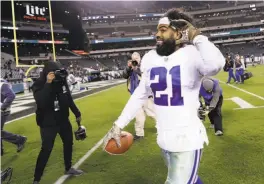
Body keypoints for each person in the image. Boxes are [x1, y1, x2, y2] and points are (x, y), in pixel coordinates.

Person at [103, 8, 225, 184]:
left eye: (162, 29)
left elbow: (216, 64)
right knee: (189, 179)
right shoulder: (151, 58)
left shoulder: (192, 54)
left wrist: (196, 36)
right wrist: (118, 124)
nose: (156, 34)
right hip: (164, 139)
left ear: (177, 32)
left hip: (187, 140)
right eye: (157, 29)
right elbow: (140, 94)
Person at [32, 62, 84, 184]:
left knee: (68, 143)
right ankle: (36, 179)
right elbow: (41, 101)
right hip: (48, 123)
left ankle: (68, 168)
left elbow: (68, 98)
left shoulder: (61, 81)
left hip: (63, 120)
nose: (58, 74)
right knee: (46, 149)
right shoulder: (39, 84)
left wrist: (77, 113)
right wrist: (48, 83)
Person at [123, 52, 156, 140]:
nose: (135, 60)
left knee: (153, 114)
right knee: (138, 117)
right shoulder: (131, 67)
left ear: (140, 58)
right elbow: (124, 76)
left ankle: (163, 127)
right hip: (135, 96)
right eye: (134, 58)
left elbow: (145, 76)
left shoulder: (144, 66)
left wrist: (136, 68)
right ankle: (139, 134)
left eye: (137, 58)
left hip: (146, 95)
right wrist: (128, 67)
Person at [1, 78, 27, 156]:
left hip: (3, 111)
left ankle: (19, 139)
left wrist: (2, 107)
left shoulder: (1, 84)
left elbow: (11, 95)